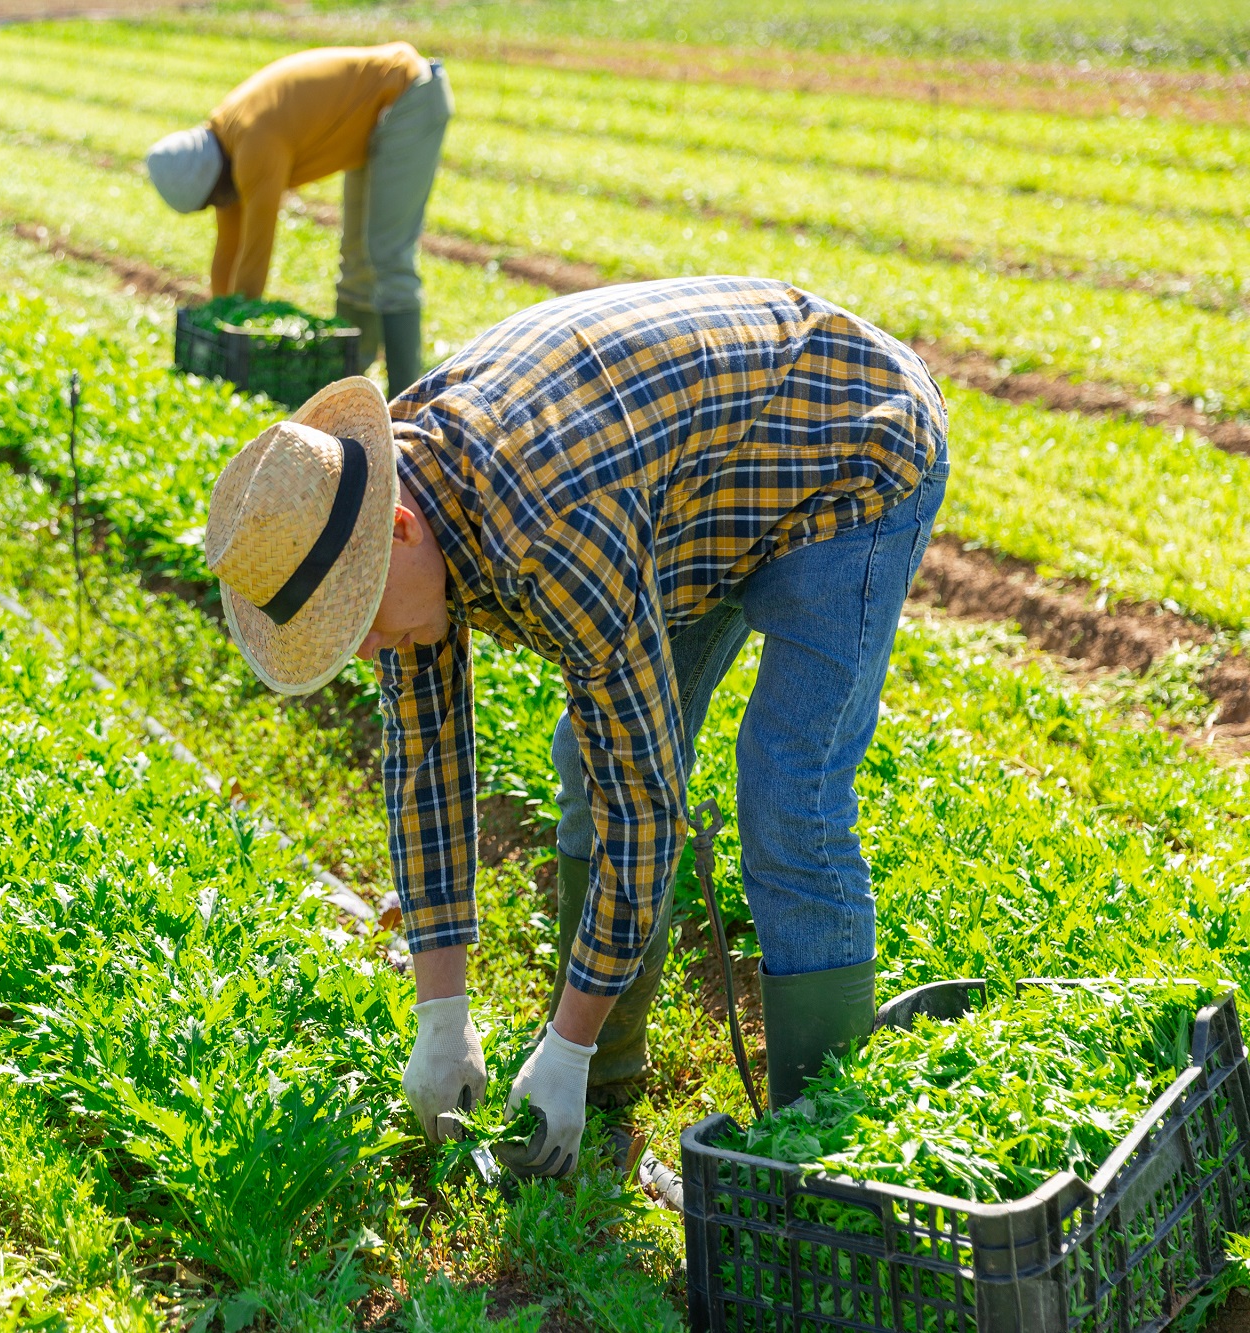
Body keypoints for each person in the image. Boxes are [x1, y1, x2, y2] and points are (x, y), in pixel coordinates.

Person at [199, 276, 949, 1177]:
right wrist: (441, 1014)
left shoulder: (549, 525)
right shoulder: (377, 512)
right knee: (586, 758)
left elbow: (646, 804)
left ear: (399, 530)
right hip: (692, 492)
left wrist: (565, 1044)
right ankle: (605, 1075)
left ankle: (821, 1145)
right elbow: (428, 762)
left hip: (846, 444)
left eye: (361, 619)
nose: (369, 647)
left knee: (788, 785)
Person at [144, 44, 452, 397]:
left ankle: (408, 397)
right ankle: (353, 386)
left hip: (408, 96)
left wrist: (237, 326)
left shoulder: (254, 143)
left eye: (213, 200)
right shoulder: (224, 147)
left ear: (214, 180)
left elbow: (255, 254)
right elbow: (228, 249)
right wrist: (220, 309)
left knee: (386, 255)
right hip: (375, 114)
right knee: (356, 258)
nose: (220, 206)